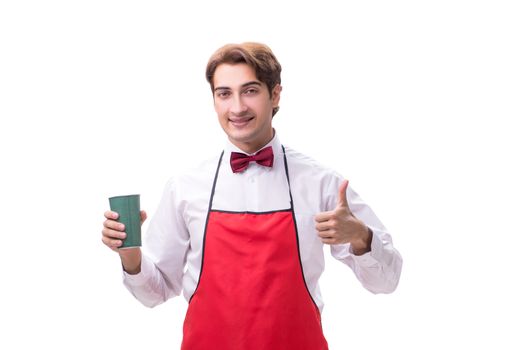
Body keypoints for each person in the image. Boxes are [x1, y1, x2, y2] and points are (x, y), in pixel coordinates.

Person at [102, 42, 402, 350]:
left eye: (250, 91)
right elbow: (157, 291)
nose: (237, 108)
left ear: (275, 95)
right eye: (224, 94)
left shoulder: (321, 183)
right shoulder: (185, 187)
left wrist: (361, 236)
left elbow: (386, 282)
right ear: (214, 100)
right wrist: (130, 255)